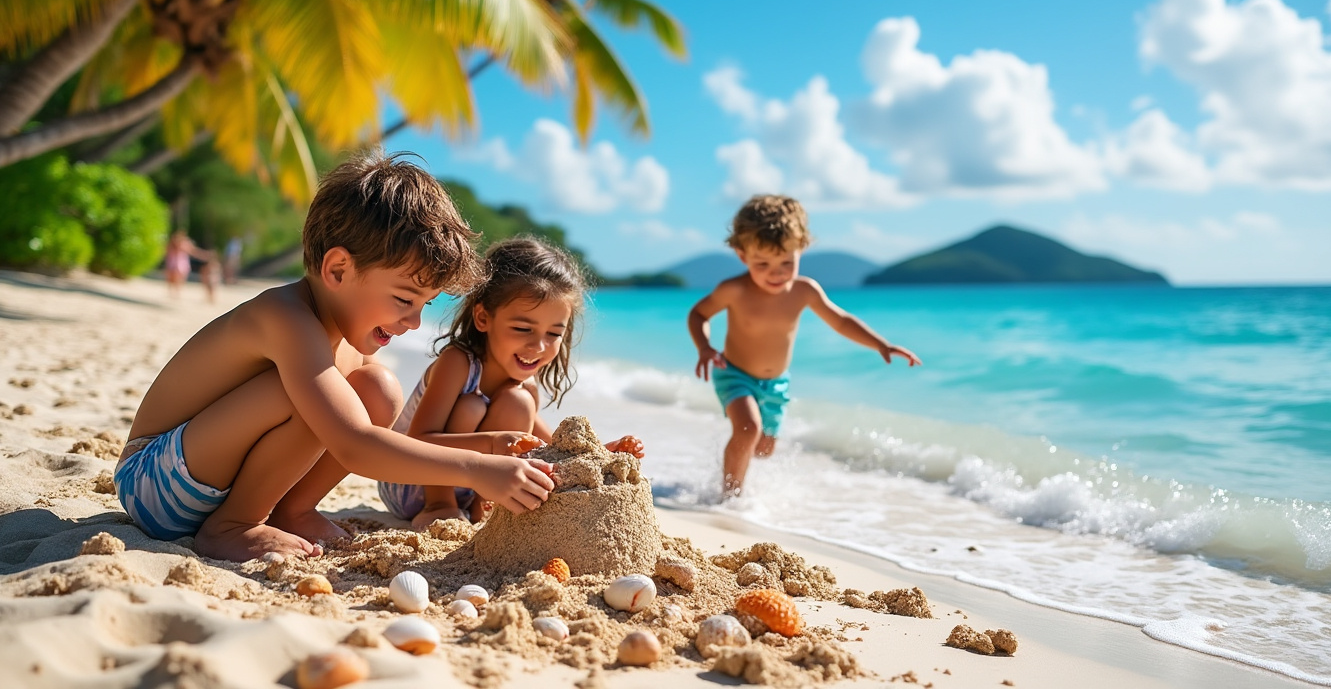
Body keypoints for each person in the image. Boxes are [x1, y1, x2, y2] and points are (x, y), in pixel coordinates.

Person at [114, 151, 555, 562]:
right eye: (404, 299)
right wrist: (477, 470)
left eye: (425, 305)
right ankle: (233, 526)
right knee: (309, 395)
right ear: (338, 269)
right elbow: (354, 445)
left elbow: (372, 431)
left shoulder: (342, 336)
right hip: (154, 483)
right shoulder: (284, 318)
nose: (415, 322)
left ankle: (290, 509)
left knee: (378, 389)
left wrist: (503, 449)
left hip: (202, 478)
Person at [378, 237, 644, 530]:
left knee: (519, 402)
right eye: (522, 328)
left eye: (554, 334)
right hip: (409, 479)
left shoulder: (524, 385)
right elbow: (417, 443)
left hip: (470, 483)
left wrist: (601, 453)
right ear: (483, 317)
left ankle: (485, 511)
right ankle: (439, 504)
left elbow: (550, 448)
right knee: (471, 406)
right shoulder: (458, 362)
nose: (539, 346)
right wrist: (492, 442)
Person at [687, 195, 921, 496]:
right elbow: (699, 314)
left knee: (763, 449)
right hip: (734, 373)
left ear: (802, 249)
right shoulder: (734, 290)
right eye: (763, 263)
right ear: (742, 255)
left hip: (777, 384)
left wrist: (881, 345)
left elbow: (839, 320)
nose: (777, 273)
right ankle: (729, 498)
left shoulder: (804, 291)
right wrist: (705, 346)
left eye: (787, 261)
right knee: (747, 429)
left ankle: (732, 477)